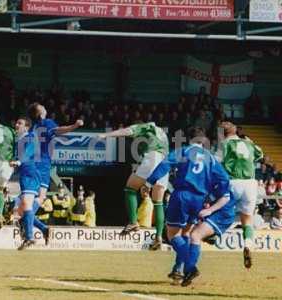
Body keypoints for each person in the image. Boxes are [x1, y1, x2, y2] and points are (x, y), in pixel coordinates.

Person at [147, 127, 230, 287]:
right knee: (186, 233)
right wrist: (212, 196)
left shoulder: (184, 151)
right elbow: (224, 178)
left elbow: (165, 164)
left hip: (182, 195)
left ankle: (190, 267)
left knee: (173, 235)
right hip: (199, 199)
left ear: (190, 140)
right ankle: (178, 270)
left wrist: (150, 181)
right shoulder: (211, 158)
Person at [98, 122, 169, 250]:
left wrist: (106, 135)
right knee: (158, 202)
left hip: (153, 157)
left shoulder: (146, 127)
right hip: (164, 163)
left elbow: (127, 131)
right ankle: (158, 236)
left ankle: (133, 222)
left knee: (130, 188)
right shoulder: (162, 134)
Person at [217, 121, 263, 269]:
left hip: (233, 182)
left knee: (218, 210)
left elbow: (216, 163)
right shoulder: (248, 143)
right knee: (247, 218)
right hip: (250, 183)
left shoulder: (224, 144)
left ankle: (210, 235)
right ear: (236, 131)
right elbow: (260, 154)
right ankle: (248, 244)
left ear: (222, 134)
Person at [27, 102, 84, 206]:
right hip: (43, 163)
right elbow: (60, 130)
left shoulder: (33, 127)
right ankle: (21, 214)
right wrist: (74, 126)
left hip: (32, 162)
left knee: (32, 195)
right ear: (40, 114)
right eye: (42, 107)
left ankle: (23, 214)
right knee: (41, 196)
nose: (44, 107)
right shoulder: (47, 123)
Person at [11, 117, 50, 250]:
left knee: (27, 205)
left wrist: (19, 161)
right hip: (24, 174)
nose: (16, 124)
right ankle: (43, 228)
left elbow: (29, 152)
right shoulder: (18, 141)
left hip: (30, 173)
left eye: (20, 123)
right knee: (23, 210)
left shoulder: (30, 136)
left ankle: (29, 237)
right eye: (16, 122)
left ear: (26, 127)